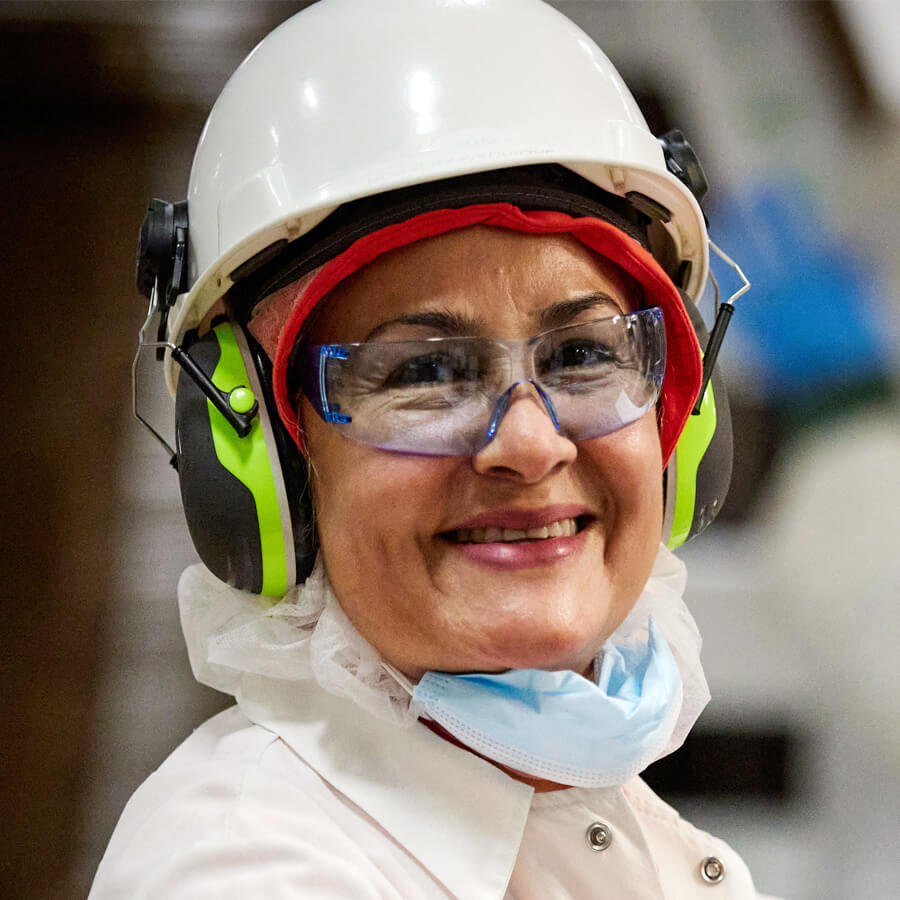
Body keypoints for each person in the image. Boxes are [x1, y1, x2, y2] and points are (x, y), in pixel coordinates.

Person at [92, 1, 774, 897]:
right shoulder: (244, 865)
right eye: (424, 373)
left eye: (582, 355)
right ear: (265, 464)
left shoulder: (620, 834)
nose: (529, 444)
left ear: (683, 420)